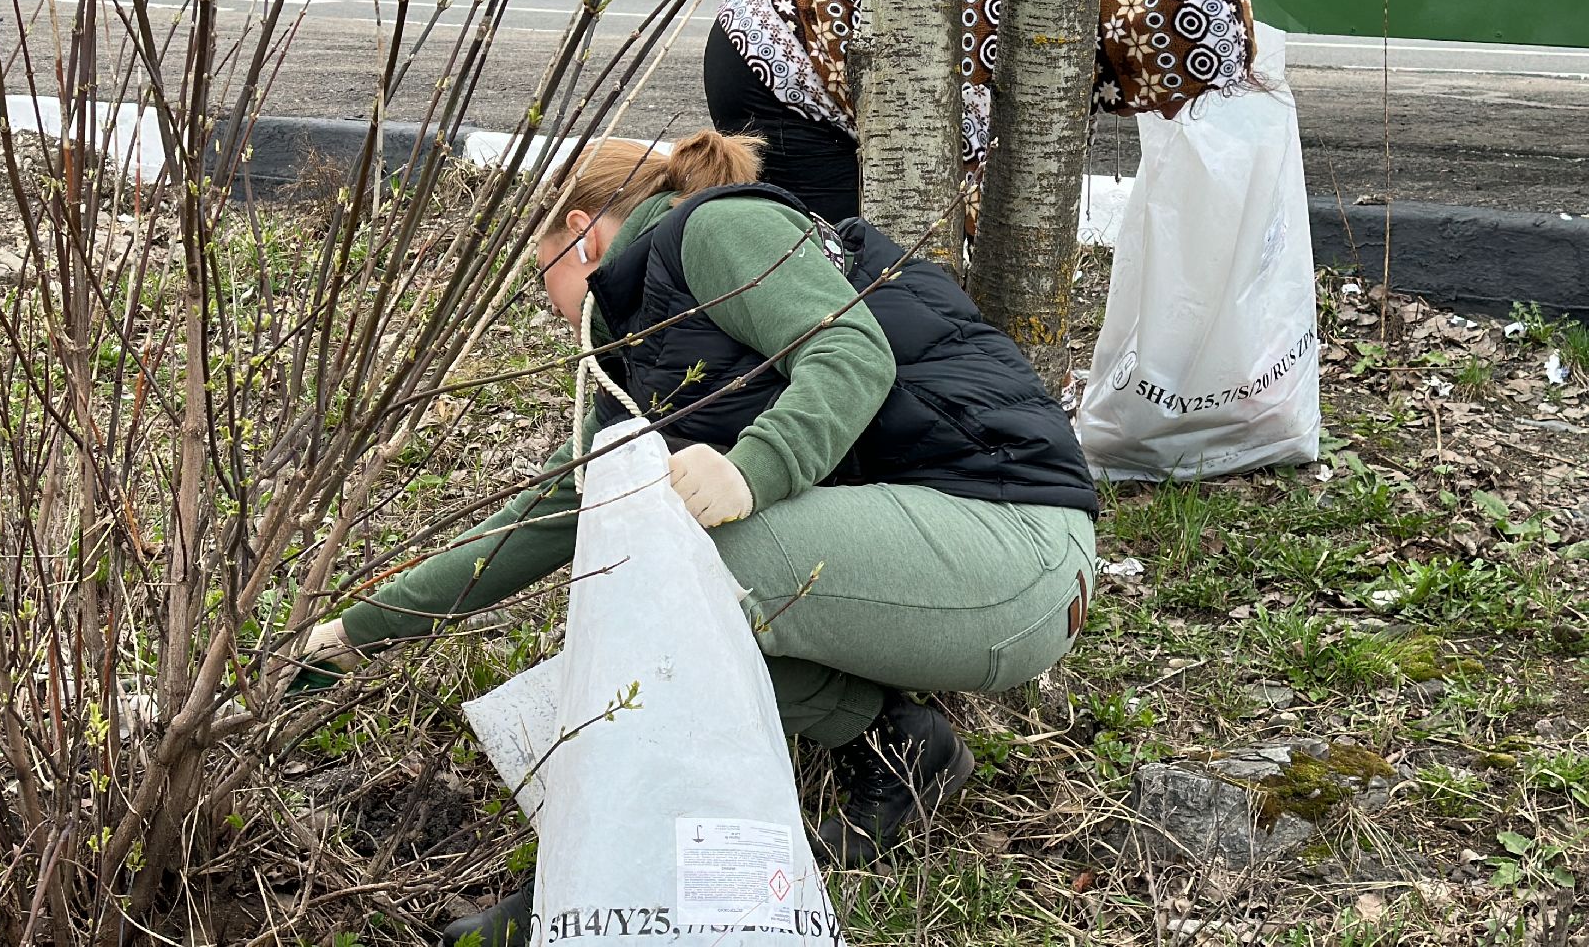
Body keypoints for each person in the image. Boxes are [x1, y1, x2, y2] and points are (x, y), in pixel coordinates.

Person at [299, 130, 1099, 944]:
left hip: (1015, 551)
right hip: (942, 556)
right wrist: (343, 640)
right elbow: (536, 523)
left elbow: (853, 354)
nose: (548, 309)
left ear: (580, 232)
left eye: (543, 277)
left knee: (665, 580)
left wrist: (753, 469)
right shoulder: (642, 349)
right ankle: (899, 748)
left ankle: (577, 890)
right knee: (633, 571)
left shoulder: (715, 232)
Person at [705, 0, 1259, 226]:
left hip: (816, 46)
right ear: (1149, 41)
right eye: (1176, 86)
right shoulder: (1013, 11)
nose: (1163, 111)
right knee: (846, 257)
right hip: (773, 57)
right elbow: (955, 192)